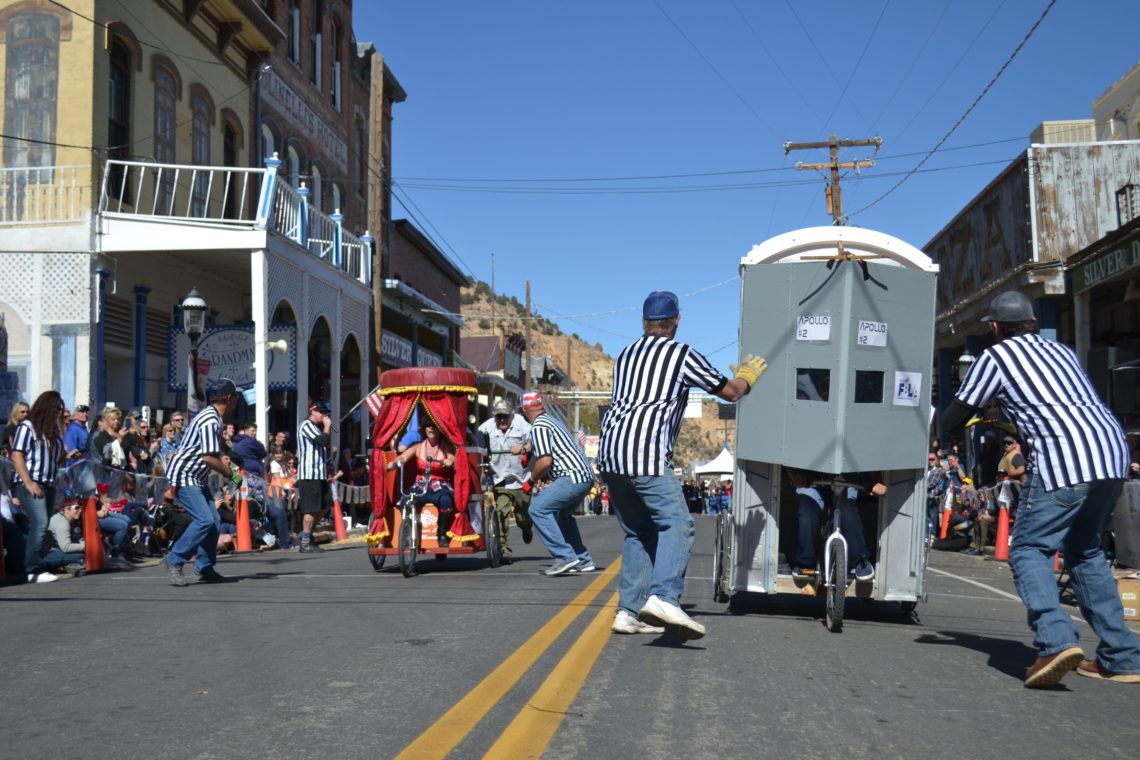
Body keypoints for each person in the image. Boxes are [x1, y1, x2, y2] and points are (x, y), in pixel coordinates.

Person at [942, 290, 1140, 687]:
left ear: (996, 328)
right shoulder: (1062, 352)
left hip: (1065, 460)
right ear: (1032, 321)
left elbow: (958, 412)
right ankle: (1122, 656)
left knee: (1029, 549)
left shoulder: (996, 357)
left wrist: (938, 436)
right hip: (1111, 453)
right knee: (1085, 551)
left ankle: (1055, 640)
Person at [598, 290, 766, 638]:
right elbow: (731, 392)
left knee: (639, 533)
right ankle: (664, 597)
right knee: (678, 525)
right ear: (676, 321)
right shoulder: (680, 353)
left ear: (644, 322)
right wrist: (748, 376)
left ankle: (628, 612)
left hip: (611, 455)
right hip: (645, 454)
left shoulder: (625, 355)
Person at [162, 378, 239, 586]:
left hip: (197, 476)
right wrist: (231, 474)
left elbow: (214, 450)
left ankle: (204, 566)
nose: (237, 401)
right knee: (204, 520)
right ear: (229, 398)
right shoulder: (210, 420)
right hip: (185, 475)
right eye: (236, 396)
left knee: (213, 520)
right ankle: (174, 559)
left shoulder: (214, 417)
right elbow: (208, 457)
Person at [518, 391, 596, 576]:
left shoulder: (538, 427)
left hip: (572, 477)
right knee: (562, 516)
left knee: (537, 509)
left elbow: (545, 461)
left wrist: (530, 481)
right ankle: (583, 560)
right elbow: (540, 446)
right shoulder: (550, 421)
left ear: (524, 410)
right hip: (584, 476)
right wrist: (526, 449)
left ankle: (565, 557)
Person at [11, 390, 66, 583]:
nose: (58, 413)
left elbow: (59, 460)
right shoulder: (28, 427)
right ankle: (32, 569)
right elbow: (17, 454)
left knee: (41, 524)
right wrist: (28, 482)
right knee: (40, 522)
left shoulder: (53, 432)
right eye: (57, 408)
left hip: (49, 482)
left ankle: (35, 562)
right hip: (32, 480)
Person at [476, 399, 534, 563]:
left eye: (505, 416)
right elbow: (477, 445)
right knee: (501, 514)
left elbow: (533, 440)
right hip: (500, 480)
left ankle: (526, 527)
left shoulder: (521, 423)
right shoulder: (485, 428)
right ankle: (504, 551)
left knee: (523, 516)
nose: (502, 420)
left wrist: (523, 448)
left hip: (521, 478)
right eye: (498, 417)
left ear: (512, 415)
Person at [385, 416, 458, 546]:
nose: (431, 428)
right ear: (424, 429)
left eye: (434, 425)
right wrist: (394, 464)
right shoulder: (418, 447)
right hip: (420, 485)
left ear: (439, 429)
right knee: (406, 500)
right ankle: (410, 530)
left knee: (446, 500)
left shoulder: (445, 446)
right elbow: (403, 456)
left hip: (440, 485)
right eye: (428, 425)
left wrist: (449, 461)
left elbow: (452, 458)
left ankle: (441, 534)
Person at [296, 402, 334, 553]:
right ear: (313, 412)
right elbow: (322, 441)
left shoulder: (316, 428)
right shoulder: (306, 425)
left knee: (326, 505)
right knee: (310, 509)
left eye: (326, 413)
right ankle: (305, 541)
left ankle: (306, 534)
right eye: (322, 413)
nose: (325, 416)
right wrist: (327, 426)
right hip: (309, 474)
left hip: (319, 473)